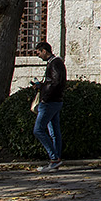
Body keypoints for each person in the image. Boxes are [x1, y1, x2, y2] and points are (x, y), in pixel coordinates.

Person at [32, 41, 66, 172]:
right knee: (54, 132)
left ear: (44, 51)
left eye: (39, 52)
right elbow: (52, 81)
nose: (38, 55)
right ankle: (56, 159)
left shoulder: (55, 63)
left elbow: (55, 82)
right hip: (55, 101)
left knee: (38, 130)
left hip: (50, 102)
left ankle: (54, 158)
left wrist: (45, 95)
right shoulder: (55, 63)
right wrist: (41, 86)